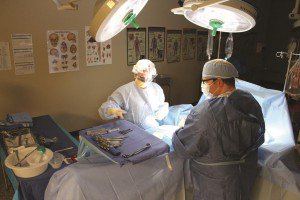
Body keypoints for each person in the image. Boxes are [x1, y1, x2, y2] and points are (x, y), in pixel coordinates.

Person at [172, 59, 265, 200]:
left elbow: (184, 147)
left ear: (219, 82)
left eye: (205, 81)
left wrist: (180, 129)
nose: (203, 85)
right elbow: (259, 133)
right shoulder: (249, 100)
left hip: (216, 185)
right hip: (244, 176)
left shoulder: (206, 112)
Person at [99, 59, 169, 130]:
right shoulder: (125, 90)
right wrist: (113, 110)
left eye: (148, 77)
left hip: (152, 129)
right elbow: (106, 107)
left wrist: (162, 111)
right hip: (131, 130)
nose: (145, 80)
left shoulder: (157, 88)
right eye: (141, 77)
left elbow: (161, 105)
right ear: (135, 74)